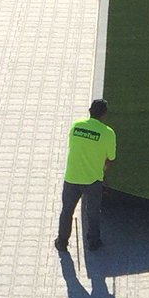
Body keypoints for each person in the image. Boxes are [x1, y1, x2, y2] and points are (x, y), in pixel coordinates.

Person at [55, 99, 116, 254]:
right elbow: (111, 158)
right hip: (93, 180)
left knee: (67, 211)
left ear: (89, 111)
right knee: (93, 212)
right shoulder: (108, 133)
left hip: (72, 176)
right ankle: (93, 242)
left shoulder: (76, 126)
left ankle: (62, 242)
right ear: (104, 114)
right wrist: (102, 169)